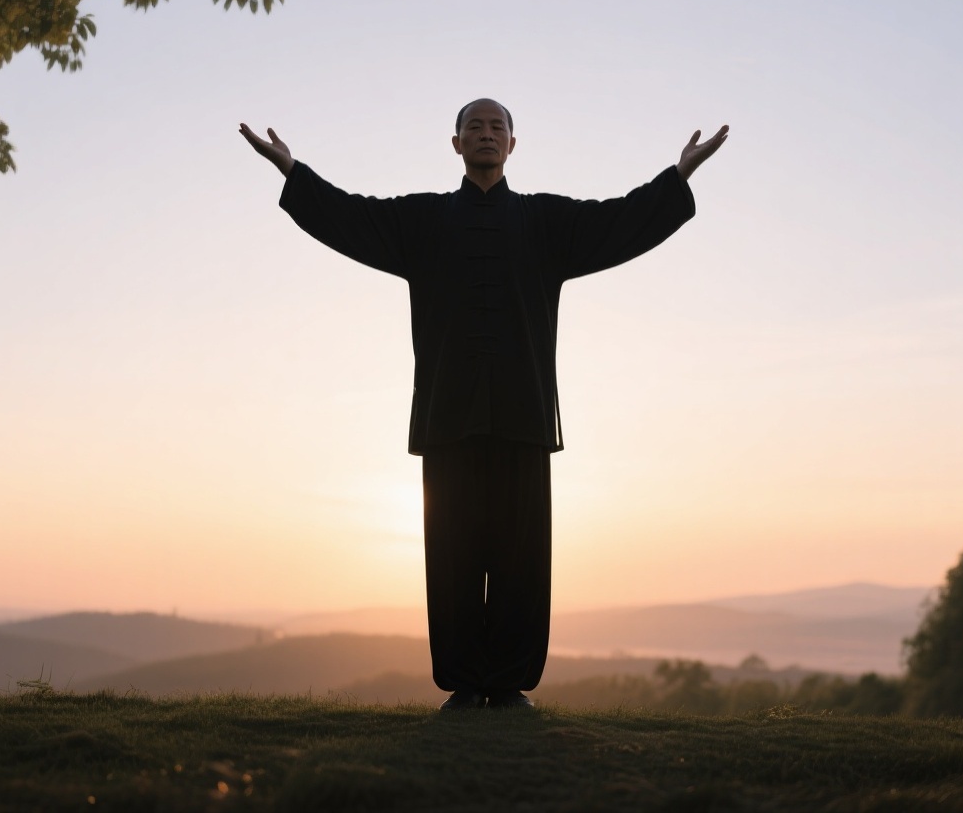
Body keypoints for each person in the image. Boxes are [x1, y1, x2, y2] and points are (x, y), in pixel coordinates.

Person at [240, 100, 727, 710]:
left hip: (524, 416)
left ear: (513, 145)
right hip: (447, 417)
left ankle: (510, 684)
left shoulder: (545, 222)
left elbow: (618, 220)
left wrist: (677, 177)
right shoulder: (423, 221)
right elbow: (351, 217)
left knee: (523, 557)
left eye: (498, 127)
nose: (487, 135)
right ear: (456, 143)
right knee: (453, 556)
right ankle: (466, 684)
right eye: (475, 126)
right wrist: (293, 172)